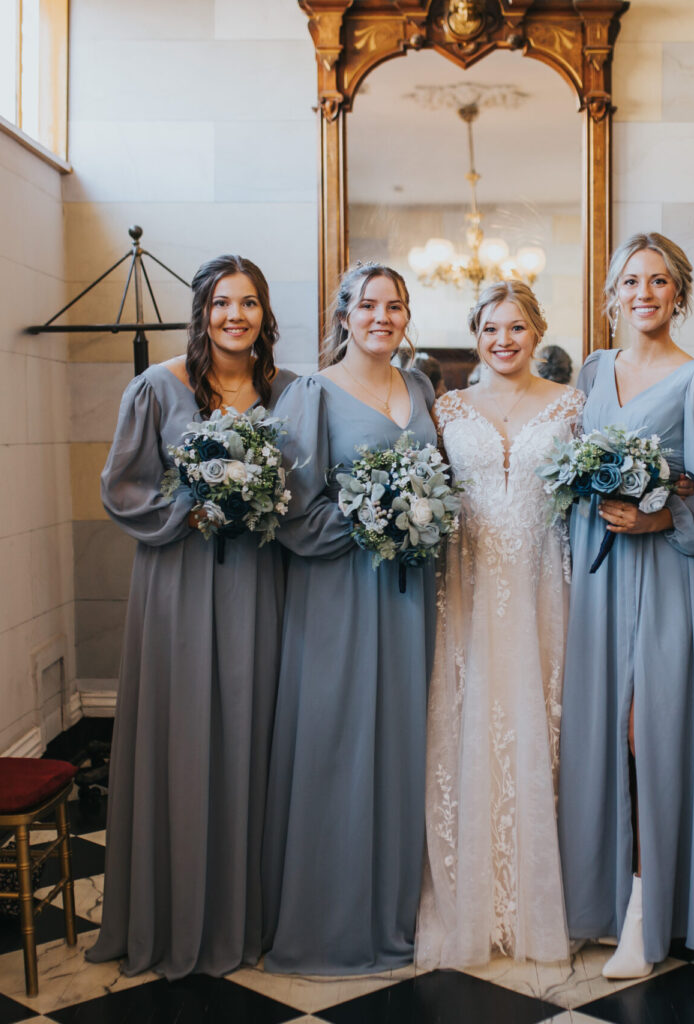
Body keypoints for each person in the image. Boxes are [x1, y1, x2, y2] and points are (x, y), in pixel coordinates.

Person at [89, 255, 296, 978]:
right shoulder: (157, 387)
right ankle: (174, 917)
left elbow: (306, 487)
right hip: (178, 581)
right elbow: (122, 488)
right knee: (184, 736)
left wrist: (266, 500)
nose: (235, 316)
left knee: (254, 732)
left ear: (266, 314)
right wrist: (191, 506)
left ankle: (254, 916)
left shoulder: (291, 392)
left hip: (261, 584)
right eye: (220, 303)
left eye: (248, 304)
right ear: (201, 312)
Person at [261, 263, 439, 974]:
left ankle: (396, 913)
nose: (382, 317)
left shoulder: (419, 386)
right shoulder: (311, 394)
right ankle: (329, 923)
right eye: (368, 305)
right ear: (343, 315)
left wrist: (418, 513)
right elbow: (294, 516)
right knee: (337, 740)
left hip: (409, 593)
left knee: (401, 741)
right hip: (339, 592)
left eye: (395, 306)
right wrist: (376, 518)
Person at [556, 233, 694, 979]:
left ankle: (650, 913)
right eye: (632, 282)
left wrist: (664, 517)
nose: (645, 293)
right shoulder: (595, 370)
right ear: (612, 295)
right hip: (596, 579)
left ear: (679, 294)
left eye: (659, 282)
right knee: (597, 733)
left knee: (646, 734)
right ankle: (602, 898)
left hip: (665, 575)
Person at [417, 282, 583, 968]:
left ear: (537, 332)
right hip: (470, 587)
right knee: (469, 723)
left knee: (546, 724)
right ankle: (469, 897)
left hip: (548, 587)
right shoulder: (447, 407)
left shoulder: (572, 406)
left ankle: (547, 896)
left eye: (516, 328)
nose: (504, 340)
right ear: (476, 334)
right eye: (491, 329)